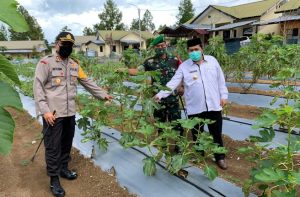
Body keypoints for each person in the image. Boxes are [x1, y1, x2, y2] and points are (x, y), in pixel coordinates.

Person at [33, 32, 113, 197]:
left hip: (69, 113)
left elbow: (87, 82)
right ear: (57, 44)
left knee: (66, 144)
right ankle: (54, 179)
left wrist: (103, 94)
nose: (67, 47)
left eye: (70, 45)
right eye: (64, 44)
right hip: (53, 114)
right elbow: (38, 87)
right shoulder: (45, 63)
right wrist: (45, 110)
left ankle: (63, 169)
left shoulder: (75, 65)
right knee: (53, 147)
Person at [154, 38, 229, 170]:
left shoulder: (212, 61)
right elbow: (173, 82)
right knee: (197, 134)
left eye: (196, 49)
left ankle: (220, 157)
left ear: (202, 49)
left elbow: (220, 80)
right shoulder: (184, 67)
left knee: (216, 133)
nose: (194, 52)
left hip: (213, 105)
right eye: (191, 50)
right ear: (187, 51)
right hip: (195, 107)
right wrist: (160, 94)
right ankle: (199, 155)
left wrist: (224, 96)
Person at [143, 35, 184, 152]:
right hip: (158, 100)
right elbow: (139, 72)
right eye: (158, 46)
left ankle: (178, 145)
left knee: (177, 124)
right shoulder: (149, 62)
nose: (161, 48)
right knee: (160, 124)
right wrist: (125, 70)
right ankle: (163, 145)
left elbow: (183, 74)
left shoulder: (175, 60)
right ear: (155, 48)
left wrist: (182, 87)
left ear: (166, 45)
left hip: (173, 99)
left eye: (163, 45)